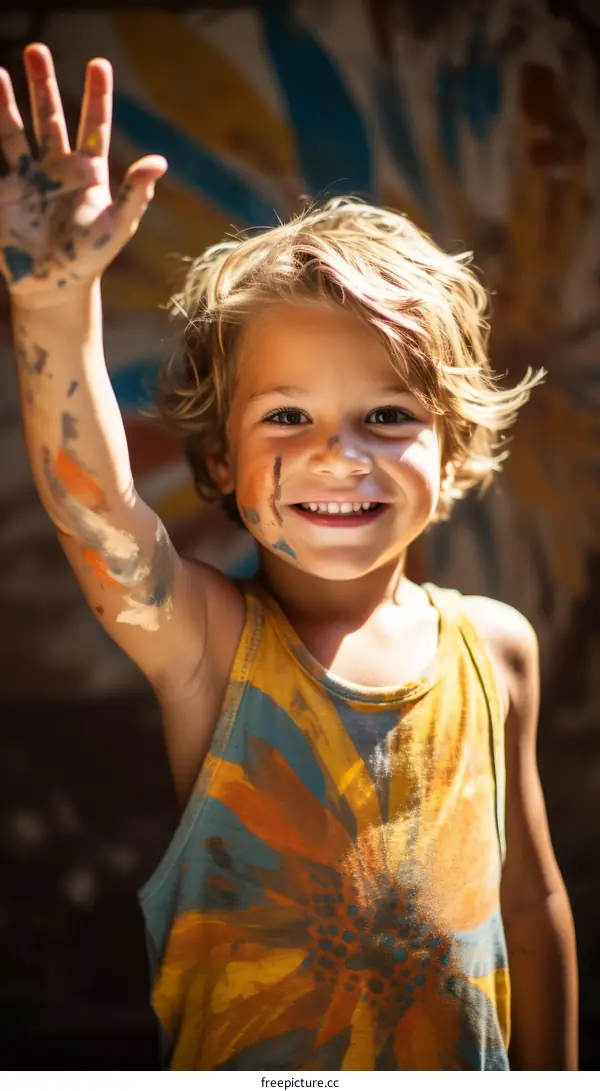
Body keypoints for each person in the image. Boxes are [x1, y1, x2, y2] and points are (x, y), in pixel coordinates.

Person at [1, 43, 578, 1071]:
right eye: (289, 414)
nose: (334, 450)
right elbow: (99, 519)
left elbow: (530, 906)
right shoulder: (211, 644)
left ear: (452, 449)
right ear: (219, 461)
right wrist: (54, 303)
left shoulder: (499, 650)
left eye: (387, 413)